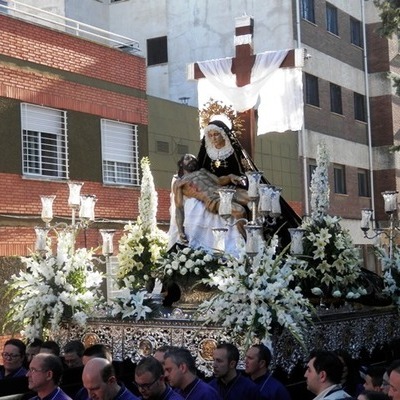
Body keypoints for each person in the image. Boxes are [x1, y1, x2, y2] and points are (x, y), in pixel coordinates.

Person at [173, 153, 249, 240]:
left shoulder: (202, 171)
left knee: (254, 198)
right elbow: (179, 207)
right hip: (213, 199)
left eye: (194, 159)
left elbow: (219, 181)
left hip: (226, 190)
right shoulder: (179, 182)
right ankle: (248, 242)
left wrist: (230, 177)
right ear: (181, 164)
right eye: (188, 158)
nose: (192, 160)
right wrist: (180, 231)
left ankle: (260, 237)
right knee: (240, 211)